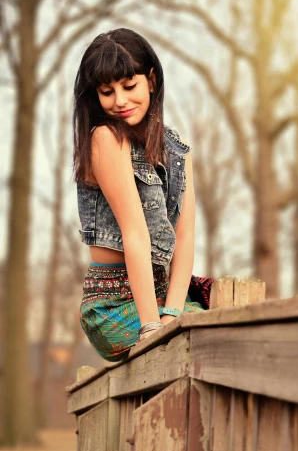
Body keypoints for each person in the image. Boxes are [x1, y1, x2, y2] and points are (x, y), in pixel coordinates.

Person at [73, 27, 209, 362]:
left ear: (150, 80)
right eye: (107, 92)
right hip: (114, 306)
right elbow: (135, 233)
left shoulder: (177, 150)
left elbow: (185, 236)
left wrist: (173, 313)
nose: (119, 100)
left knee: (239, 317)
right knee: (215, 337)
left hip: (162, 294)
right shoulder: (106, 138)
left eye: (129, 86)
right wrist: (152, 327)